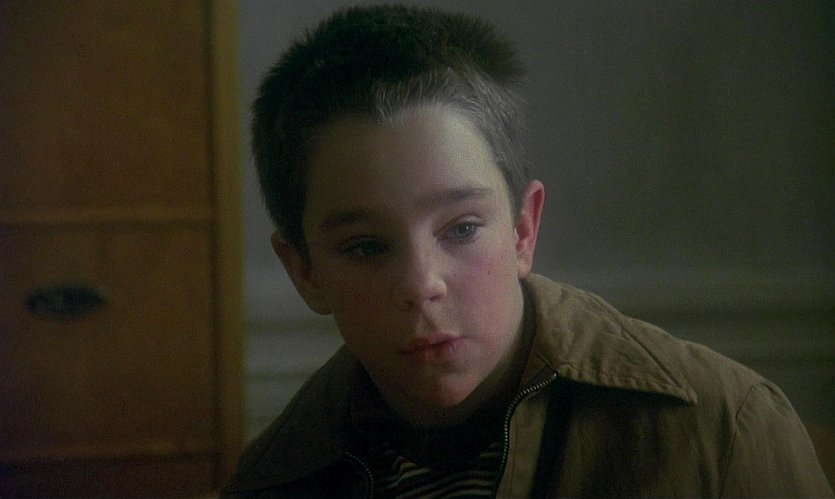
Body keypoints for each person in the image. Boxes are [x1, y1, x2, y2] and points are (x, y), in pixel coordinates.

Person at [222, 5, 832, 498]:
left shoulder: (724, 433)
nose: (421, 284)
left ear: (522, 231)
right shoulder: (273, 481)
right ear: (304, 271)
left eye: (461, 229)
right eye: (366, 247)